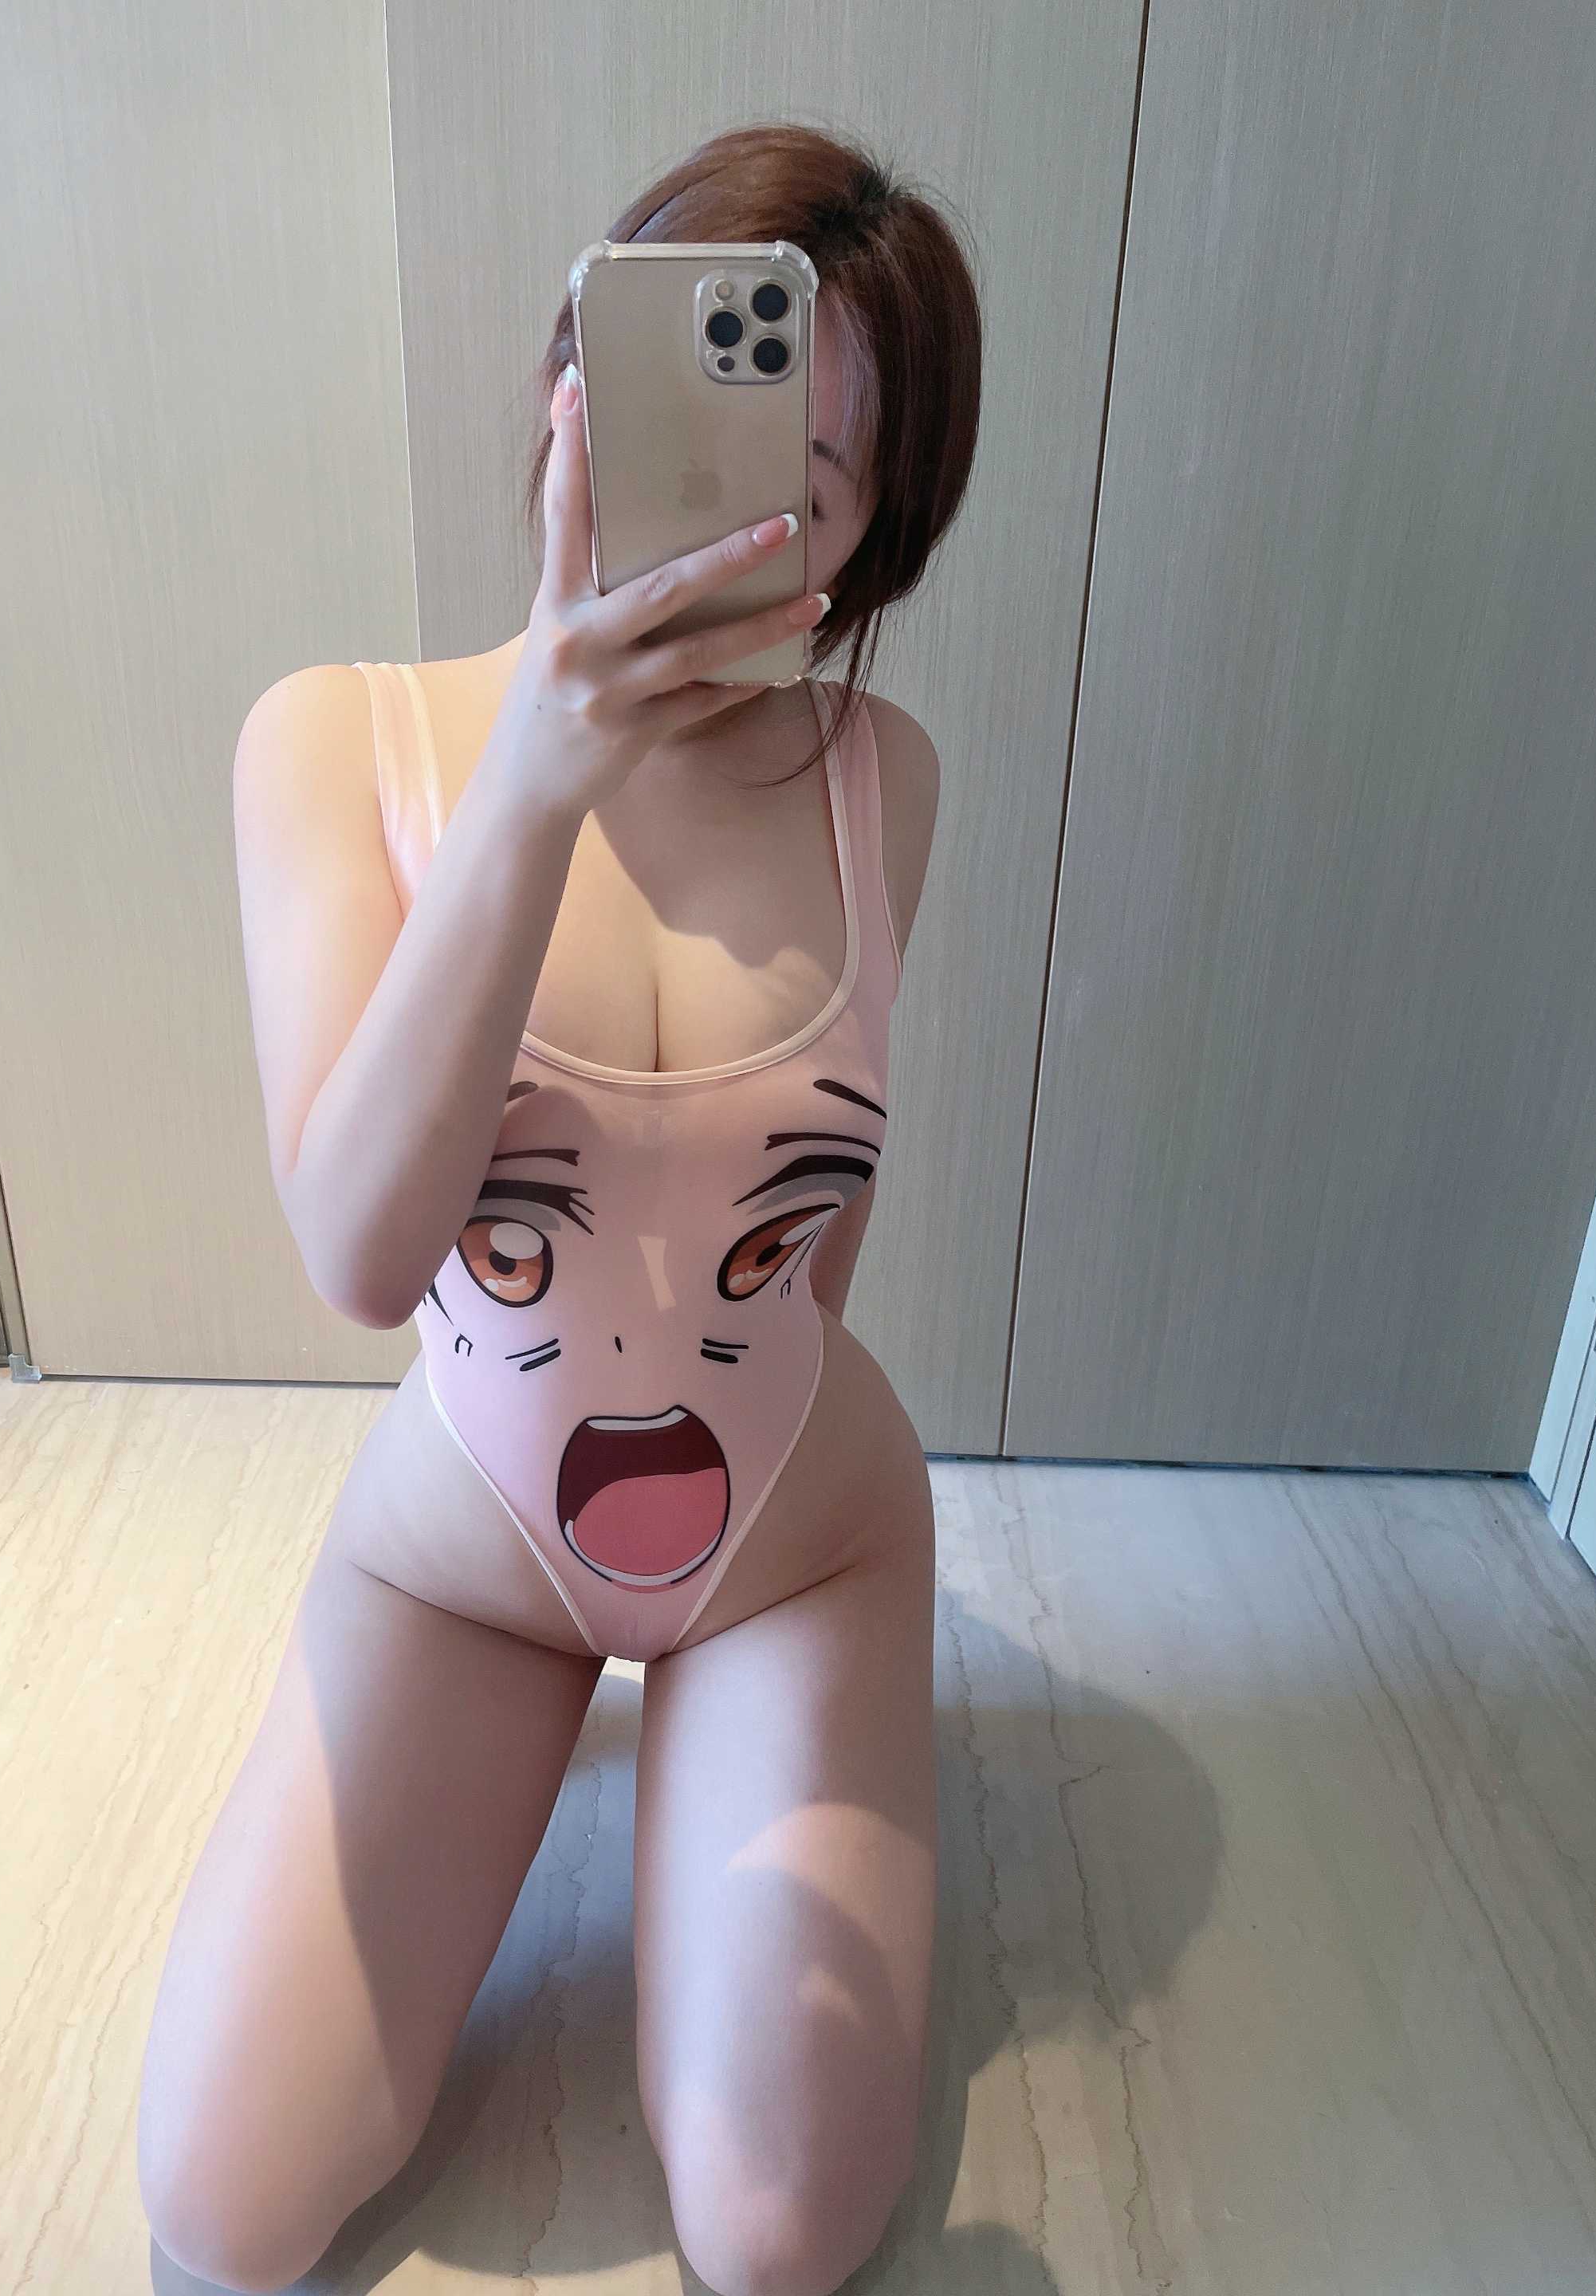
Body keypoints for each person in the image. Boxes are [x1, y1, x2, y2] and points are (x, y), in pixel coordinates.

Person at [137, 120, 982, 2296]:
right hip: (471, 1548)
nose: (731, 514)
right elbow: (360, 1255)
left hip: (795, 1540)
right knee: (222, 2208)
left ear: (872, 545)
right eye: (700, 420)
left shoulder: (884, 782)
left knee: (778, 2235)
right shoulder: (334, 743)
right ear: (569, 390)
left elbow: (818, 1236)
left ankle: (768, 1717)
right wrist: (533, 783)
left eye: (812, 484)